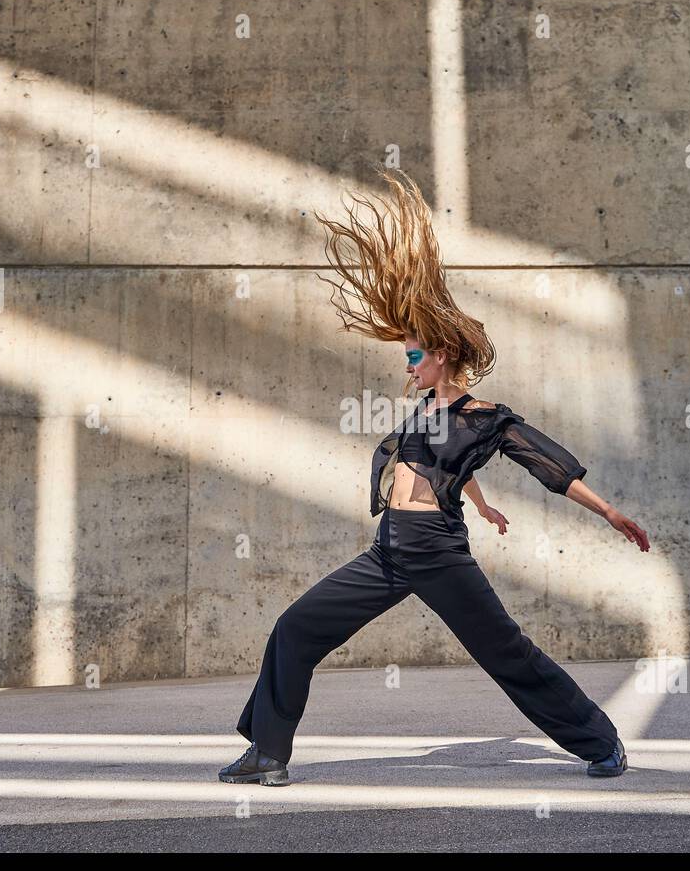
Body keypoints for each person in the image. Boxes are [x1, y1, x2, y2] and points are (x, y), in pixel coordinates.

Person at [220, 167, 650, 786]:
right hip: (388, 551)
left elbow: (550, 467)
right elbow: (438, 467)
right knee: (295, 628)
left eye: (415, 355)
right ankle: (268, 752)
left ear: (443, 354)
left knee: (506, 654)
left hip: (439, 556)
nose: (409, 364)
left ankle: (600, 742)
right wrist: (480, 503)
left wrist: (607, 511)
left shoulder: (490, 419)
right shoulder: (423, 412)